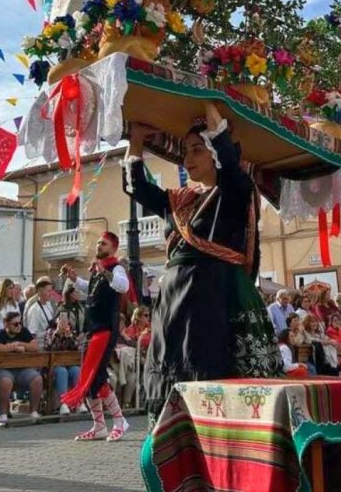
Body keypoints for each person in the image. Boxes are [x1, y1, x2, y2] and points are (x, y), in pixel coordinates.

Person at [123, 102, 282, 425]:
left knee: (211, 371)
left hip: (214, 299)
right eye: (185, 151)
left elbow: (233, 170)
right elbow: (135, 186)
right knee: (172, 371)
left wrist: (217, 124)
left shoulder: (236, 193)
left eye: (197, 150)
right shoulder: (179, 201)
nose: (187, 159)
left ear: (215, 155)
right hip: (173, 306)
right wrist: (136, 140)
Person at [60, 232, 130, 442]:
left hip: (106, 329)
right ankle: (99, 426)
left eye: (103, 243)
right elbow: (89, 290)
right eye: (98, 242)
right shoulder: (99, 269)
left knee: (97, 376)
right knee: (89, 378)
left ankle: (119, 421)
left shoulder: (115, 267)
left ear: (113, 248)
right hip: (93, 329)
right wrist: (75, 279)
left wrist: (105, 273)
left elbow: (122, 285)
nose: (98, 246)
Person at [0, 311, 42, 425]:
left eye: (20, 323)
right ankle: (3, 414)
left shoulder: (23, 332)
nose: (19, 326)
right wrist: (12, 348)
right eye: (15, 324)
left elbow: (35, 346)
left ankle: (33, 412)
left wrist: (21, 344)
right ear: (6, 324)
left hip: (21, 369)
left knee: (37, 379)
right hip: (3, 369)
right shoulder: (0, 334)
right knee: (6, 381)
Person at [44, 313, 82, 415]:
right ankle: (63, 404)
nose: (64, 323)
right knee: (62, 372)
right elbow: (49, 346)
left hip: (69, 364)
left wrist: (69, 336)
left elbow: (76, 348)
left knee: (76, 370)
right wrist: (57, 333)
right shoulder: (50, 332)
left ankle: (79, 401)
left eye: (66, 321)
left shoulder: (70, 333)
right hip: (54, 366)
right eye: (62, 320)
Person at [24, 278, 55, 349]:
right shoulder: (35, 310)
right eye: (48, 291)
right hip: (41, 347)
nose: (50, 294)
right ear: (40, 292)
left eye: (51, 291)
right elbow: (32, 334)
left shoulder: (48, 305)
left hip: (49, 345)